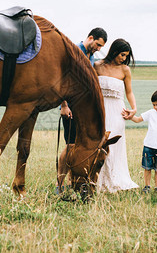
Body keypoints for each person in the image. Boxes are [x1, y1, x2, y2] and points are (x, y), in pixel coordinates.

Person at [57, 28, 107, 192]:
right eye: (98, 44)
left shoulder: (91, 58)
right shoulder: (75, 51)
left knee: (80, 146)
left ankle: (75, 181)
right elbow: (63, 79)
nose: (98, 49)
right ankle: (60, 184)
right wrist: (64, 105)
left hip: (82, 112)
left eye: (101, 47)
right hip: (69, 107)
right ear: (91, 38)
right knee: (70, 145)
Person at [93, 38, 140, 192]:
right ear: (114, 51)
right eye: (122, 54)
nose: (124, 58)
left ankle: (115, 178)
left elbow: (129, 91)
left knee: (114, 144)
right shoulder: (98, 65)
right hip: (100, 109)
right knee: (99, 143)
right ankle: (96, 178)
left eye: (126, 56)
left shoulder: (125, 70)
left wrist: (133, 108)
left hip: (117, 111)